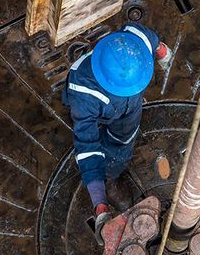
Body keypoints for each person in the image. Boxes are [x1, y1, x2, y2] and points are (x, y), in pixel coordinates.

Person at [63, 22, 171, 242]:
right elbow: (87, 149)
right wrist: (100, 206)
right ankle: (109, 178)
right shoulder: (83, 98)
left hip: (128, 106)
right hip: (102, 107)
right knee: (101, 145)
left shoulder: (135, 40)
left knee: (123, 139)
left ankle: (116, 163)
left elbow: (153, 40)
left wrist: (165, 55)